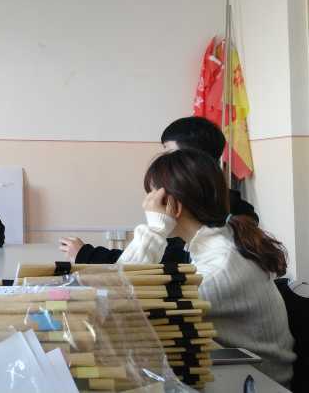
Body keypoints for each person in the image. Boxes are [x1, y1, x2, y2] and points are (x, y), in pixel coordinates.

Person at [120, 148, 295, 385]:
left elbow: (117, 302)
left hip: (258, 385)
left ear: (173, 205)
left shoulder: (219, 268)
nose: (146, 204)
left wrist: (154, 230)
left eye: (153, 196)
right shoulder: (221, 243)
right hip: (238, 375)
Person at [60, 116, 258, 263]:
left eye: (169, 153)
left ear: (192, 160)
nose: (165, 161)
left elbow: (160, 263)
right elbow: (155, 255)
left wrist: (88, 255)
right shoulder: (219, 207)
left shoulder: (221, 235)